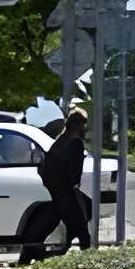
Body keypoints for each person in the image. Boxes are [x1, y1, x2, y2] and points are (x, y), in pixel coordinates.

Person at [40, 105, 95, 252]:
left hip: (55, 189)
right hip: (66, 189)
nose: (85, 128)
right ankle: (86, 253)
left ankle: (66, 244)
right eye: (83, 124)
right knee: (82, 223)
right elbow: (74, 170)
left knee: (73, 217)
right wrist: (73, 183)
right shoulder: (75, 143)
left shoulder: (61, 140)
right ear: (78, 125)